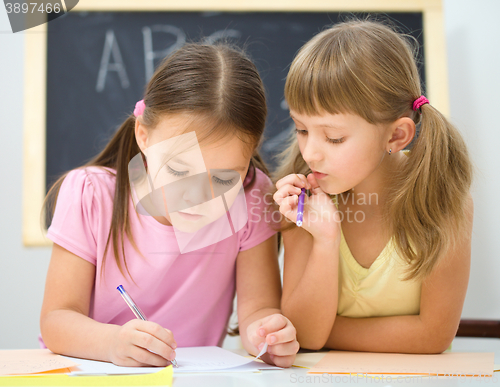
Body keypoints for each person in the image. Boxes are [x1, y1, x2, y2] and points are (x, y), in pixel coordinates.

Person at [40, 42, 299, 368]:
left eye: (222, 179)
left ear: (249, 159)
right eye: (178, 170)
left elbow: (258, 309)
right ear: (143, 135)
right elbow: (56, 320)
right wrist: (113, 343)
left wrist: (267, 335)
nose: (195, 194)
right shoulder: (90, 193)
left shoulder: (252, 195)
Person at [273, 20, 473, 354]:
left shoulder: (442, 199)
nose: (310, 154)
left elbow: (433, 336)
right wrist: (324, 240)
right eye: (301, 129)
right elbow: (306, 336)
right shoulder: (301, 200)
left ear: (396, 135)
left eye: (334, 137)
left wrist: (326, 331)